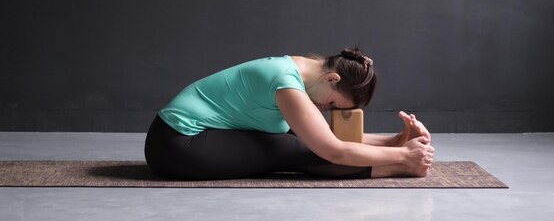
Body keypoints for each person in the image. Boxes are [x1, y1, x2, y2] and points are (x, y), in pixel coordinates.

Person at [144, 48, 435, 180]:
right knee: (291, 148)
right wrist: (403, 156)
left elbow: (326, 136)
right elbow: (332, 149)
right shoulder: (286, 84)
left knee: (301, 139)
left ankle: (396, 156)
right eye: (333, 104)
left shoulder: (302, 71)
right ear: (332, 79)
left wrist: (394, 140)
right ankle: (401, 165)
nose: (327, 109)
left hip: (185, 138)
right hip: (177, 144)